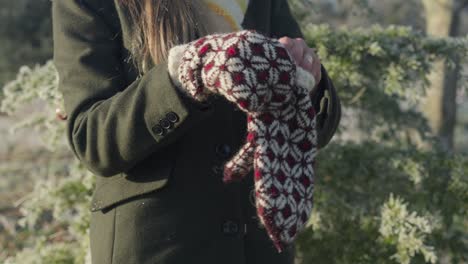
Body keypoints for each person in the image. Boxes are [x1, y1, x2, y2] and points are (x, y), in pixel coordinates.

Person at [51, 0, 341, 263]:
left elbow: (315, 130)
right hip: (156, 248)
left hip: (256, 248)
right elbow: (91, 138)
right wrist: (182, 75)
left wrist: (306, 81)